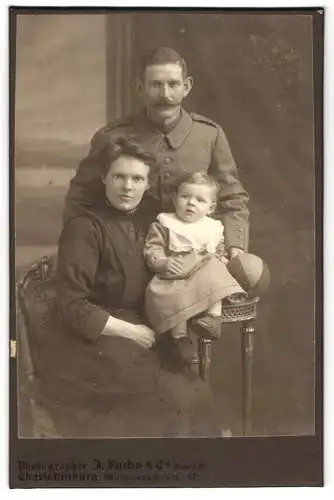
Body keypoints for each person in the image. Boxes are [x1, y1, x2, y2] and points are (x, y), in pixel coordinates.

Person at [32, 137, 221, 438]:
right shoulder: (84, 227)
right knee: (171, 399)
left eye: (137, 178)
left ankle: (194, 479)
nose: (127, 186)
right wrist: (132, 332)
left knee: (196, 392)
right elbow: (72, 305)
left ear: (148, 184)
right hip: (90, 345)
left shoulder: (154, 224)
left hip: (142, 336)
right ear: (105, 177)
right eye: (119, 176)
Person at [63, 46, 250, 260]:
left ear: (186, 87)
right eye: (155, 85)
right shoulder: (111, 137)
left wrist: (236, 248)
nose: (165, 95)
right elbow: (80, 200)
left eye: (173, 84)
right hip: (123, 256)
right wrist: (83, 250)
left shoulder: (209, 135)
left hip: (193, 255)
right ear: (140, 87)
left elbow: (232, 198)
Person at [144, 172, 247, 364]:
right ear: (175, 200)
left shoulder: (212, 228)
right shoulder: (165, 223)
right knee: (174, 295)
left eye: (200, 200)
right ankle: (180, 338)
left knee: (216, 270)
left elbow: (219, 251)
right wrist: (163, 262)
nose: (191, 203)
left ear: (211, 207)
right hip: (177, 274)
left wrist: (222, 260)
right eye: (185, 197)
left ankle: (213, 318)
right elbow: (153, 248)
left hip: (202, 275)